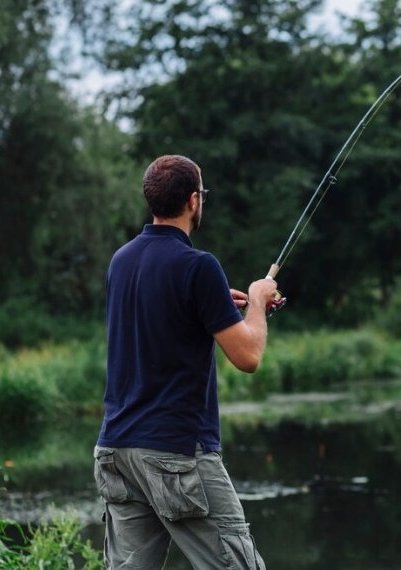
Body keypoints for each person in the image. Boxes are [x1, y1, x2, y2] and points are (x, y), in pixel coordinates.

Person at [93, 155, 277, 569]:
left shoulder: (121, 260)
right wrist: (258, 300)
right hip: (176, 452)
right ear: (194, 200)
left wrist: (212, 306)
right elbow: (247, 356)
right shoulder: (199, 265)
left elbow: (164, 316)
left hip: (116, 450)